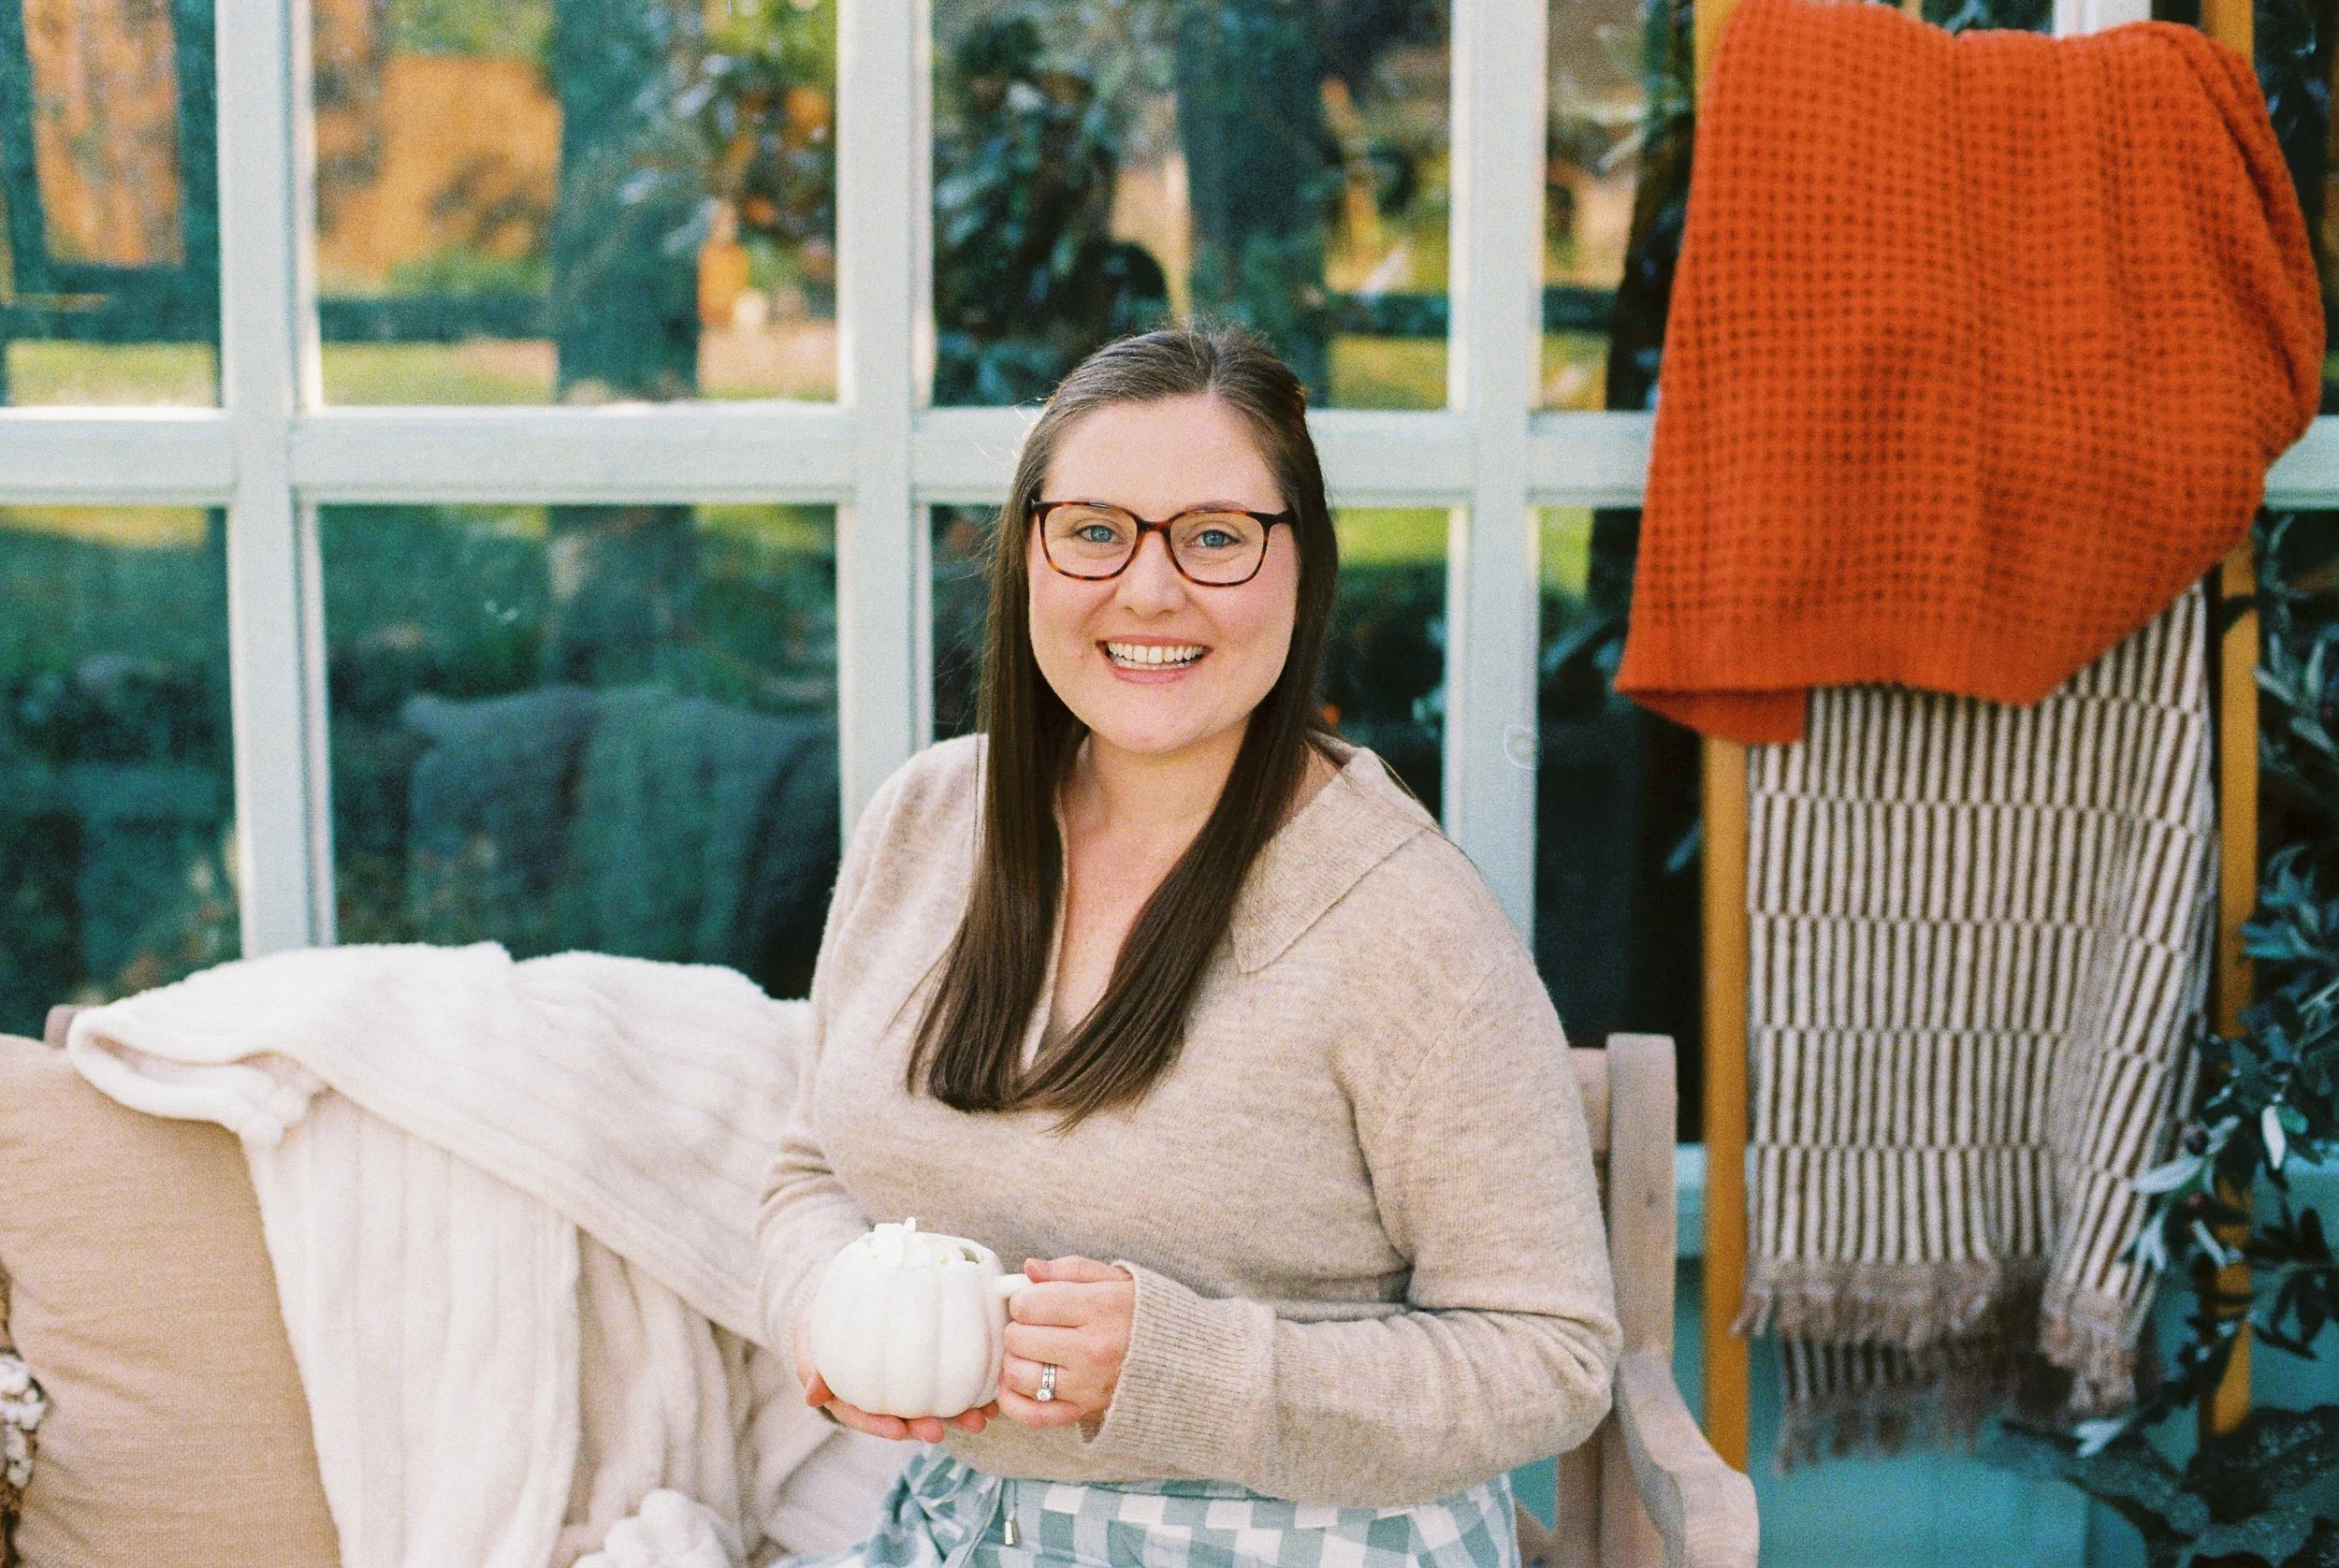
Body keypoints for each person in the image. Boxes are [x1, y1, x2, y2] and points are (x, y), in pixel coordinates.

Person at [756, 327, 1620, 1568]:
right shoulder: (928, 823)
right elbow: (811, 1174)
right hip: (958, 1531)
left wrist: (1179, 1370)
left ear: (1300, 567)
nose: (1149, 591)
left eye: (1215, 537)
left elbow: (1550, 1356)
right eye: (1096, 530)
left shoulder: (1406, 925)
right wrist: (836, 1314)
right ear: (1027, 557)